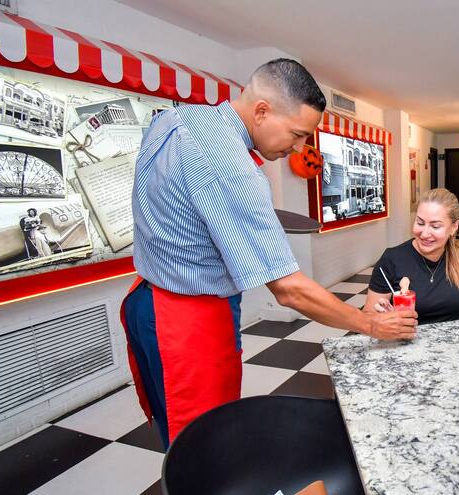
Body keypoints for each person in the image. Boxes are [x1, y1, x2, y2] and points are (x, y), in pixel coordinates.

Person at [122, 58, 417, 450]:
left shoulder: (176, 119)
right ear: (262, 110)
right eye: (296, 134)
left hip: (144, 298)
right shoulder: (232, 167)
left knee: (176, 438)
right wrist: (371, 325)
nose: (298, 148)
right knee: (207, 445)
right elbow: (290, 291)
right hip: (187, 319)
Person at [364, 188, 459, 324]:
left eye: (435, 226)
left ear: (454, 227)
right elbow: (368, 316)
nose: (424, 233)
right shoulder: (392, 259)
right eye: (420, 223)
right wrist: (381, 319)